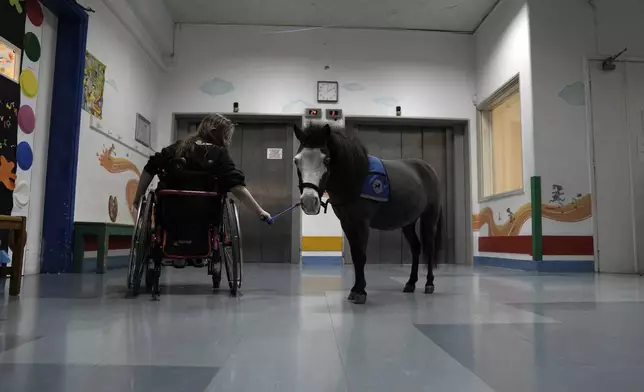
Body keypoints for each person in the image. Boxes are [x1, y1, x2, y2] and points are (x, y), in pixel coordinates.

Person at [132, 114, 271, 268]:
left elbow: (150, 167)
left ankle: (176, 251)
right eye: (228, 135)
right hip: (206, 216)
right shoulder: (219, 154)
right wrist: (259, 211)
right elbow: (236, 186)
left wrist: (138, 197)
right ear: (220, 134)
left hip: (170, 214)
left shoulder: (178, 147)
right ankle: (198, 251)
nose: (229, 140)